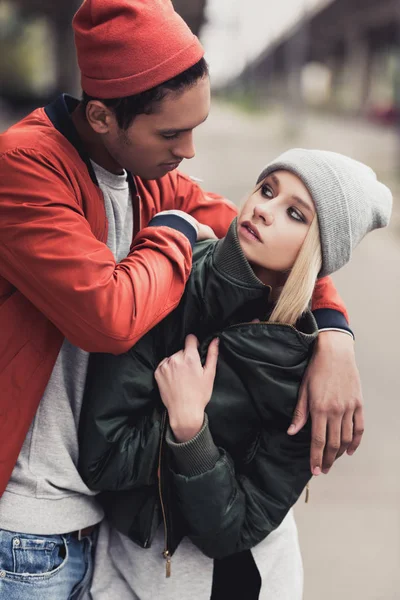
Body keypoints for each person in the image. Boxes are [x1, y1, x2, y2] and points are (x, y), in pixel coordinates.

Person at [0, 0, 359, 597]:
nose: (189, 150)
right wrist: (173, 230)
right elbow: (107, 315)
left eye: (196, 127)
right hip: (29, 527)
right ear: (101, 117)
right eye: (172, 132)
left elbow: (271, 248)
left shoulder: (144, 167)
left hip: (100, 527)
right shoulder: (25, 167)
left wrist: (335, 335)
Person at [79, 148, 392, 599]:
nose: (264, 210)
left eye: (294, 214)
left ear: (316, 251)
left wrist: (190, 430)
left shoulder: (309, 375)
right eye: (267, 190)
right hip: (122, 575)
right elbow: (102, 459)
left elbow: (233, 528)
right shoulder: (171, 278)